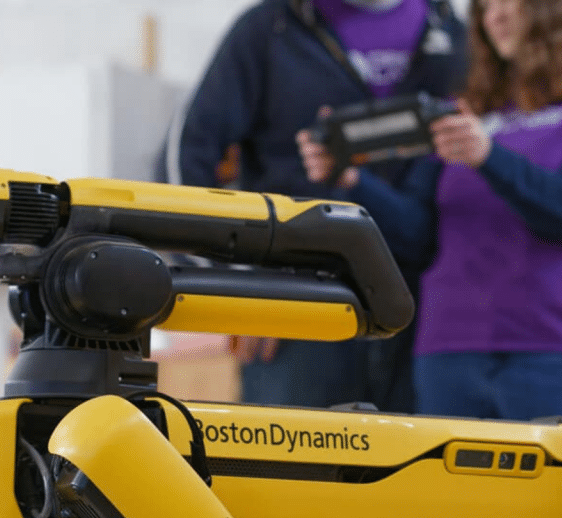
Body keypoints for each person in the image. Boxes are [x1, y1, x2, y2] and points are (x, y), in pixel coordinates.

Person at [298, 0, 562, 426]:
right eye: (484, 7)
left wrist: (488, 157)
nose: (494, 16)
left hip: (545, 348)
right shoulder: (468, 110)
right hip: (446, 350)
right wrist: (352, 180)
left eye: (508, 1)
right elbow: (419, 236)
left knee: (551, 473)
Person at [156, 0, 468, 413]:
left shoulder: (455, 33)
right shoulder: (271, 28)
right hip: (296, 314)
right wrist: (235, 291)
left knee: (416, 456)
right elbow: (182, 162)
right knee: (294, 455)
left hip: (426, 321)